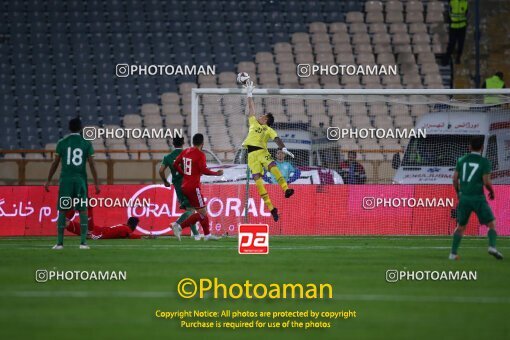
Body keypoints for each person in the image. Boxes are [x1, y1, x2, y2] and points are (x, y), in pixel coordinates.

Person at [241, 79, 295, 222]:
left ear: (266, 120)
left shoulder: (268, 129)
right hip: (251, 155)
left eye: (263, 116)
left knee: (273, 167)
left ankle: (286, 189)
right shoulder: (253, 123)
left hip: (261, 152)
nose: (260, 116)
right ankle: (272, 208)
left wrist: (282, 147)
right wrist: (249, 94)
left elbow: (276, 139)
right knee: (258, 182)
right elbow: (251, 109)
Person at [44, 117, 100, 250]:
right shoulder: (86, 143)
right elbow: (92, 164)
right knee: (83, 210)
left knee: (63, 210)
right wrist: (97, 183)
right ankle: (83, 243)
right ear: (81, 128)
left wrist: (48, 180)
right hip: (80, 180)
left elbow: (55, 163)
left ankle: (59, 243)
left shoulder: (62, 143)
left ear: (69, 128)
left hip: (66, 181)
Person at [449, 136, 503, 260]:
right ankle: (492, 246)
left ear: (469, 147)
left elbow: (454, 178)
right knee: (492, 223)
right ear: (482, 148)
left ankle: (453, 254)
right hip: (478, 197)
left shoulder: (462, 160)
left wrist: (458, 192)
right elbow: (486, 182)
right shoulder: (484, 162)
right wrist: (492, 192)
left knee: (461, 226)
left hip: (464, 198)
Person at [171, 133, 224, 241]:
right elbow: (204, 170)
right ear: (202, 143)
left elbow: (175, 164)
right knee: (202, 213)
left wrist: (185, 174)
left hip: (184, 186)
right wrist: (216, 174)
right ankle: (179, 226)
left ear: (193, 142)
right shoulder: (200, 155)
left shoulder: (185, 151)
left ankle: (207, 235)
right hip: (193, 187)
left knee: (199, 212)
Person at [159, 136, 201, 240]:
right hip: (188, 183)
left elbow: (160, 171)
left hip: (178, 185)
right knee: (191, 210)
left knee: (189, 210)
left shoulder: (168, 157)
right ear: (183, 143)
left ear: (173, 144)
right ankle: (176, 224)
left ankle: (196, 235)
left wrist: (165, 182)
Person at [65, 207, 142, 239]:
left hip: (97, 230)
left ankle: (75, 207)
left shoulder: (124, 226)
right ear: (134, 225)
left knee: (65, 223)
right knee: (65, 223)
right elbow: (130, 236)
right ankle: (76, 207)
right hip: (96, 233)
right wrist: (143, 237)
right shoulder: (126, 229)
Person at [444, 0, 468, 65]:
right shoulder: (452, 1)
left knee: (461, 45)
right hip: (453, 26)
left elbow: (466, 13)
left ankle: (458, 59)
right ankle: (446, 60)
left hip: (462, 27)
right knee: (451, 44)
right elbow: (449, 13)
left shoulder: (465, 2)